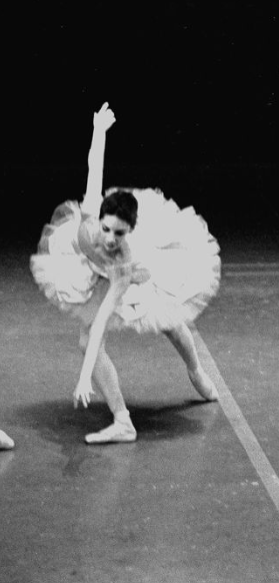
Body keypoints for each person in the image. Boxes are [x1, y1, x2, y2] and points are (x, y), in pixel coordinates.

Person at [30, 103, 221, 444]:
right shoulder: (90, 220)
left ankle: (195, 370)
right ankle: (123, 421)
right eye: (107, 229)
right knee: (86, 339)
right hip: (88, 266)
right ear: (98, 220)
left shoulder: (125, 259)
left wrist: (85, 375)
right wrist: (99, 131)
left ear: (130, 231)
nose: (109, 238)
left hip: (126, 273)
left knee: (170, 321)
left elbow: (104, 316)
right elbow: (94, 167)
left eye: (119, 234)